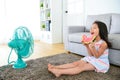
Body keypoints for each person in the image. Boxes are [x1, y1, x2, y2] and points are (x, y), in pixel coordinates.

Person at [48, 21, 112, 77]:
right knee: (75, 63)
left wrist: (93, 47)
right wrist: (87, 46)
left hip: (100, 62)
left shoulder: (103, 44)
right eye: (91, 28)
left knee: (81, 67)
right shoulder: (93, 41)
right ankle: (56, 67)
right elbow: (91, 55)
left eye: (94, 28)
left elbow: (97, 56)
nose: (91, 29)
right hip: (92, 58)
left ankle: (59, 72)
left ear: (101, 30)